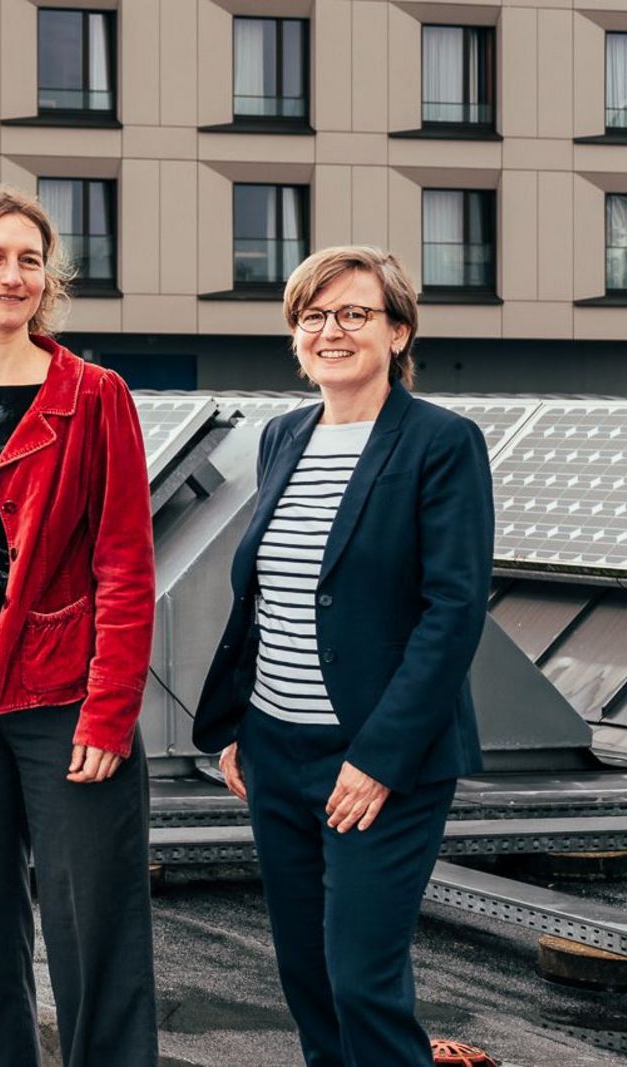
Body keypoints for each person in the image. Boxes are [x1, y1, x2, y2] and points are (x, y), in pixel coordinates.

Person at [194, 245, 491, 1067]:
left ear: (398, 332)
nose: (332, 331)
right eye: (313, 316)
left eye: (355, 314)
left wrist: (379, 757)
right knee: (310, 978)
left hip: (375, 761)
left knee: (363, 978)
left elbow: (453, 609)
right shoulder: (284, 436)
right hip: (274, 749)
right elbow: (270, 593)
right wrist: (236, 726)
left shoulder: (441, 441)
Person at [0, 185, 158, 1065]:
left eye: (29, 260)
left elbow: (126, 563)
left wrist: (110, 709)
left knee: (96, 926)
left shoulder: (94, 395)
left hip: (64, 687)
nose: (13, 276)